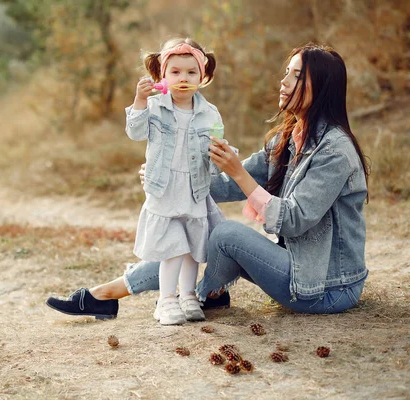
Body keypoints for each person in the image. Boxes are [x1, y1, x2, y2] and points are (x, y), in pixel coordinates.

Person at [46, 42, 370, 319]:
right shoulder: (288, 138)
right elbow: (222, 186)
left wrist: (238, 172)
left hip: (328, 287)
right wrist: (173, 178)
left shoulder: (334, 150)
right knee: (190, 221)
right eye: (286, 72)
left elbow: (294, 220)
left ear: (323, 86)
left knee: (224, 233)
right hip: (300, 269)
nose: (283, 82)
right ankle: (106, 294)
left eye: (296, 75)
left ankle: (201, 294)